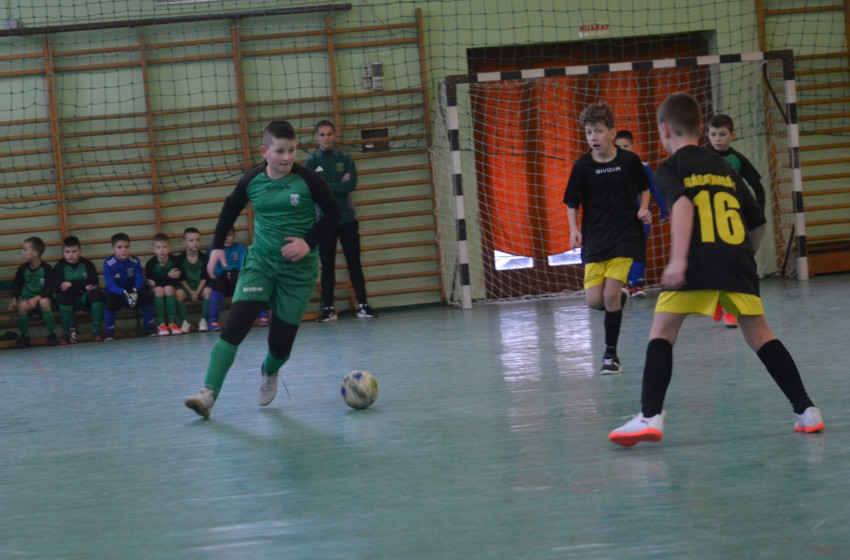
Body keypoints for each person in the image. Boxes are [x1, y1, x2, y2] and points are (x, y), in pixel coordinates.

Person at [608, 92, 824, 446]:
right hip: (737, 261)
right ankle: (807, 411)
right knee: (761, 335)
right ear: (700, 128)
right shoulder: (725, 166)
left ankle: (650, 416)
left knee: (662, 332)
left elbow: (682, 208)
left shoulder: (669, 169)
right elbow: (758, 223)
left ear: (664, 130)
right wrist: (745, 260)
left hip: (696, 261)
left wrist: (677, 261)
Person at [184, 119, 340, 418]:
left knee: (280, 345)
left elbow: (333, 214)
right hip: (261, 263)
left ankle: (269, 371)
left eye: (292, 150)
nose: (287, 158)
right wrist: (217, 246)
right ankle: (208, 393)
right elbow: (230, 207)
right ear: (264, 151)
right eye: (280, 151)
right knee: (237, 324)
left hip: (299, 271)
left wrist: (308, 243)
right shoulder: (252, 180)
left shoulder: (308, 180)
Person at [564, 101, 652, 374]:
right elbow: (571, 202)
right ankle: (619, 300)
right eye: (589, 132)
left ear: (611, 133)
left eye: (599, 131)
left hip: (625, 236)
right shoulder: (582, 167)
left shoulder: (629, 161)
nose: (593, 137)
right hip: (595, 238)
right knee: (595, 301)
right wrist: (573, 229)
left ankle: (610, 355)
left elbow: (644, 187)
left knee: (611, 295)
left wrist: (643, 207)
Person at [304, 119, 378, 322]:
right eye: (322, 134)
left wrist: (325, 186)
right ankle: (328, 308)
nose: (326, 138)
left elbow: (351, 184)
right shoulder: (311, 163)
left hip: (347, 219)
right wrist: (337, 185)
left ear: (334, 135)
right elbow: (312, 190)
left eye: (329, 134)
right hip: (324, 222)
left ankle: (363, 305)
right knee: (327, 265)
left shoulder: (345, 158)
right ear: (316, 137)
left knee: (354, 262)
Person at [707, 114, 767, 328]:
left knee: (733, 263)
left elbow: (757, 185)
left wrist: (757, 211)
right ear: (707, 135)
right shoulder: (703, 157)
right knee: (711, 262)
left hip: (733, 220)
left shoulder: (738, 160)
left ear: (732, 136)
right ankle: (715, 301)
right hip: (709, 219)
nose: (717, 139)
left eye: (722, 134)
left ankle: (731, 311)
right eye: (713, 134)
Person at [614, 130, 669, 298]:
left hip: (642, 214)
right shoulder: (610, 168)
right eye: (619, 146)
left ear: (633, 147)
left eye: (626, 146)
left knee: (638, 248)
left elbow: (654, 189)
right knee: (620, 250)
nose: (622, 149)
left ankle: (635, 285)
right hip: (619, 216)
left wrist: (664, 209)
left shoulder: (643, 167)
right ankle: (618, 286)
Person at [53, 235, 105, 344]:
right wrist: (82, 287)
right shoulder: (59, 266)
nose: (71, 254)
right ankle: (66, 332)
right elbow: (59, 287)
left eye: (74, 251)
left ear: (79, 251)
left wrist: (71, 284)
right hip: (68, 299)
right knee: (64, 296)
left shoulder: (87, 264)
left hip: (84, 298)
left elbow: (93, 283)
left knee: (97, 294)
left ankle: (97, 330)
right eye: (67, 252)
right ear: (63, 252)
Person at [103, 232, 155, 340]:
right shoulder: (108, 263)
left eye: (126, 247)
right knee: (110, 299)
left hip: (133, 294)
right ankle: (109, 332)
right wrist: (124, 293)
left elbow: (140, 280)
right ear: (113, 249)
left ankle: (149, 328)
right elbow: (110, 285)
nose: (123, 250)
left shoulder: (135, 261)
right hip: (119, 295)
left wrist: (134, 291)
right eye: (120, 247)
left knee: (146, 295)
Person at [8, 236, 57, 347]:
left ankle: (51, 334)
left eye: (25, 250)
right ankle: (24, 336)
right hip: (28, 302)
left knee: (44, 302)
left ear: (35, 253)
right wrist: (14, 299)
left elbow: (49, 290)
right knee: (22, 305)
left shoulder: (47, 269)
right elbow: (18, 287)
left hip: (42, 300)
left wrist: (36, 299)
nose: (22, 253)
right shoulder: (22, 270)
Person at [206, 228, 247, 332]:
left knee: (252, 281)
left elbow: (245, 263)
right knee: (218, 283)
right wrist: (223, 273)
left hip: (237, 282)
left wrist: (237, 273)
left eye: (229, 235)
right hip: (222, 285)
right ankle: (213, 320)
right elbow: (212, 267)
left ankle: (262, 314)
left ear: (234, 236)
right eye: (223, 235)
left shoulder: (241, 248)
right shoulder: (213, 250)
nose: (226, 238)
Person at [145, 233, 184, 336]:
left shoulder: (175, 261)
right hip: (157, 290)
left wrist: (160, 281)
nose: (161, 250)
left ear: (169, 248)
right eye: (158, 247)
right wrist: (167, 277)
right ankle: (160, 324)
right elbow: (150, 284)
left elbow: (175, 280)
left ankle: (172, 323)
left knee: (168, 288)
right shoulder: (151, 263)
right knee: (159, 290)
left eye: (164, 247)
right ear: (154, 250)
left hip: (171, 287)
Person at [175, 227, 212, 333]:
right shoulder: (180, 259)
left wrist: (197, 292)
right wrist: (191, 292)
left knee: (208, 291)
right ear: (184, 243)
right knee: (178, 293)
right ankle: (185, 322)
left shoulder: (204, 258)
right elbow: (182, 279)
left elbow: (204, 278)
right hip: (187, 288)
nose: (195, 243)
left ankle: (204, 321)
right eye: (191, 240)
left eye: (197, 240)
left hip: (200, 287)